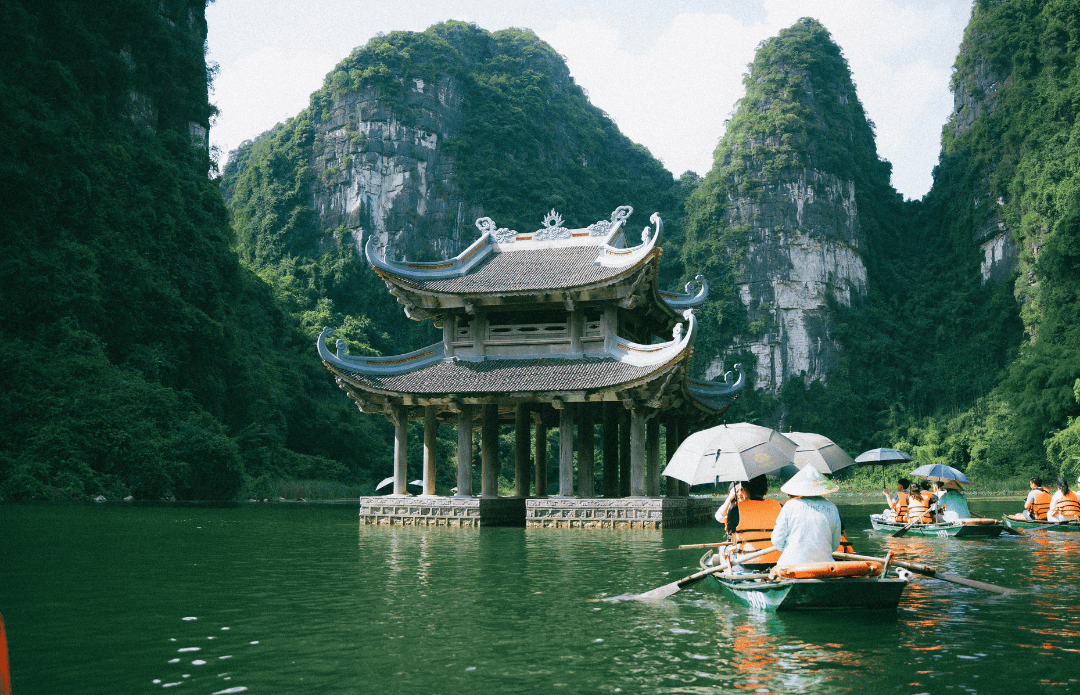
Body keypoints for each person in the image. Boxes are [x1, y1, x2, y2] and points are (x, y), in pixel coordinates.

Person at [770, 466, 842, 569]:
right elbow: (835, 544)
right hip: (824, 567)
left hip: (791, 566)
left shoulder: (790, 506)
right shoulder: (832, 507)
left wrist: (790, 549)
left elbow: (777, 541)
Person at [722, 475, 783, 570]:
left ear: (743, 490)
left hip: (748, 563)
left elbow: (732, 534)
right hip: (777, 562)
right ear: (766, 491)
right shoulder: (779, 506)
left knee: (723, 549)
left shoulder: (735, 509)